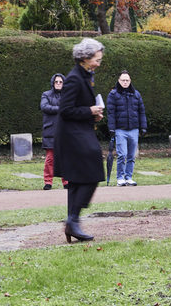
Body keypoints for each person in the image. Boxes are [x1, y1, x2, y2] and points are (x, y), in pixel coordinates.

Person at [54, 38, 105, 243]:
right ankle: (72, 220)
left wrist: (93, 114)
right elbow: (65, 110)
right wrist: (89, 111)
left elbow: (78, 107)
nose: (98, 64)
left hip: (79, 130)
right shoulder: (74, 78)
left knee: (76, 179)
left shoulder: (85, 75)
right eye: (96, 60)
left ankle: (72, 223)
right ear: (85, 58)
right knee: (93, 170)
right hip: (71, 134)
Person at [106, 70, 147, 186]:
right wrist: (112, 129)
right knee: (122, 154)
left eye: (127, 80)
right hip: (120, 129)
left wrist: (143, 126)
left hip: (134, 129)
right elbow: (111, 113)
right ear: (119, 81)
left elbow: (141, 111)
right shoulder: (113, 94)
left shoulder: (136, 94)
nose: (125, 82)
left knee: (131, 156)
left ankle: (128, 177)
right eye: (123, 80)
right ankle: (120, 177)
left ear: (130, 81)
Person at [40, 73, 68, 190]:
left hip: (65, 131)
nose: (58, 84)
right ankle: (48, 182)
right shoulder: (46, 94)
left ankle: (66, 181)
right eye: (56, 82)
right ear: (53, 82)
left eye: (60, 82)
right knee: (50, 159)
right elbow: (44, 107)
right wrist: (61, 109)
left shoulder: (68, 95)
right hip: (50, 130)